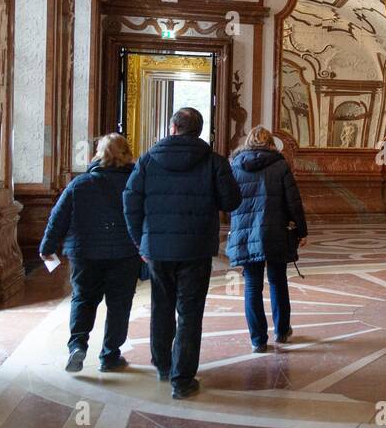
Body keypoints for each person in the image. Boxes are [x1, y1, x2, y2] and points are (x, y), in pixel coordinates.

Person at [124, 108, 240, 399]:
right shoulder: (215, 162)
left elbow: (130, 201)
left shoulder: (148, 160)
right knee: (190, 312)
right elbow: (231, 201)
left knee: (161, 306)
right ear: (199, 131)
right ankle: (182, 379)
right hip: (196, 248)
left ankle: (163, 365)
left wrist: (140, 240)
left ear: (173, 128)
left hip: (157, 249)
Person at [40, 134, 142, 374]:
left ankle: (77, 345)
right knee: (119, 304)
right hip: (125, 253)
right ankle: (110, 355)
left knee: (83, 299)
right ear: (127, 153)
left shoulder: (80, 183)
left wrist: (47, 247)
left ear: (98, 154)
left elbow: (58, 218)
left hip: (85, 253)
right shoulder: (135, 184)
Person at [227, 126, 308, 353]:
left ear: (248, 142)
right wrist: (301, 230)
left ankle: (258, 340)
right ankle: (282, 331)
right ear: (271, 143)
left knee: (252, 285)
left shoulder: (235, 166)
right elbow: (294, 202)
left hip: (245, 234)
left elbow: (228, 200)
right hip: (275, 231)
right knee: (278, 281)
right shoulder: (279, 165)